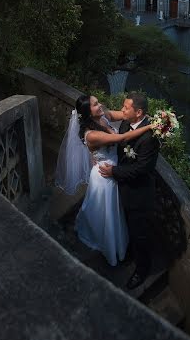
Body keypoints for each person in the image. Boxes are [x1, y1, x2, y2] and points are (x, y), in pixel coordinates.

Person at [56, 94, 154, 267]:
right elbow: (122, 138)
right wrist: (151, 127)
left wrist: (147, 118)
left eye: (97, 102)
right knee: (107, 213)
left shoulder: (104, 116)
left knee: (114, 211)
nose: (100, 105)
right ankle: (109, 244)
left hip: (114, 169)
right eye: (95, 104)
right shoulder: (92, 134)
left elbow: (125, 115)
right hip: (104, 175)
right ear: (88, 112)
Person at [99, 92, 159, 290]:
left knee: (141, 233)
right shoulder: (126, 123)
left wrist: (114, 171)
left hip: (139, 194)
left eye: (126, 108)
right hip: (124, 188)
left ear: (139, 112)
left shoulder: (150, 137)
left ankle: (142, 270)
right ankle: (131, 254)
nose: (122, 110)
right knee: (130, 228)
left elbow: (142, 168)